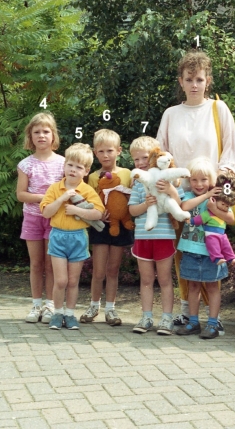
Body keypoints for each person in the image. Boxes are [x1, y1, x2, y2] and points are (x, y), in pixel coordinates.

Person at [157, 50, 235, 330]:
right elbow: (162, 151)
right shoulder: (171, 114)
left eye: (200, 79)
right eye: (189, 79)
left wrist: (221, 188)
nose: (195, 84)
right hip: (181, 196)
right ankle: (187, 311)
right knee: (184, 252)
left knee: (211, 250)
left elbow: (231, 150)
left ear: (208, 81)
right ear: (180, 81)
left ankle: (213, 318)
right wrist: (170, 182)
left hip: (212, 195)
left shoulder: (218, 110)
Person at [40, 143, 105, 330]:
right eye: (70, 165)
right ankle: (57, 312)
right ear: (64, 165)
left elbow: (99, 213)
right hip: (58, 237)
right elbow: (45, 212)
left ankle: (69, 314)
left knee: (73, 281)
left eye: (78, 167)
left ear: (86, 171)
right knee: (61, 280)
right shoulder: (54, 188)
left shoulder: (87, 190)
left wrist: (77, 210)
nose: (73, 170)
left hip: (78, 237)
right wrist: (61, 199)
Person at [80, 129, 133, 326]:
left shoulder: (127, 174)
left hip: (122, 227)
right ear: (95, 153)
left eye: (110, 150)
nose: (105, 155)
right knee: (98, 270)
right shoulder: (93, 177)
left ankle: (110, 309)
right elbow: (92, 200)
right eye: (101, 151)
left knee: (113, 269)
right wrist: (99, 212)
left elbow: (130, 197)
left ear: (119, 151)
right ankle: (94, 306)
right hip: (101, 227)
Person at [128, 136, 181, 335]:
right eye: (136, 160)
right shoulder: (138, 184)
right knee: (146, 279)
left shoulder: (166, 181)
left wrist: (170, 190)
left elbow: (180, 204)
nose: (141, 163)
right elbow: (132, 210)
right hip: (142, 238)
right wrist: (145, 205)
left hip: (164, 237)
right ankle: (146, 317)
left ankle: (166, 318)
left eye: (145, 158)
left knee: (166, 279)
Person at [175, 158, 232, 339]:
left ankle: (213, 323)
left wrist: (214, 207)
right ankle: (193, 322)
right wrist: (206, 197)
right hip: (191, 249)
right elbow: (184, 207)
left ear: (212, 180)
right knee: (193, 286)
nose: (199, 184)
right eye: (194, 180)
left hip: (212, 253)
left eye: (204, 180)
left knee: (213, 287)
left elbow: (230, 218)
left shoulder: (219, 197)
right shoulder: (189, 196)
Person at [16, 113, 65, 324]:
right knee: (36, 264)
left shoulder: (64, 163)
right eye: (37, 132)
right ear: (31, 136)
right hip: (33, 219)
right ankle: (36, 304)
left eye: (46, 131)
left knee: (51, 264)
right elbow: (21, 194)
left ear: (53, 135)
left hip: (55, 220)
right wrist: (44, 198)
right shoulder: (26, 164)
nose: (41, 136)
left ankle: (51, 305)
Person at [190, 171, 235, 266]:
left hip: (222, 235)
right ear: (215, 199)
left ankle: (231, 258)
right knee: (213, 245)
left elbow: (231, 219)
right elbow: (200, 219)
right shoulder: (208, 213)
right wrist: (191, 221)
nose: (225, 207)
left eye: (227, 206)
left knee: (226, 245)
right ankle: (217, 258)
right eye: (223, 204)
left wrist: (214, 208)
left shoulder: (224, 204)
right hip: (211, 235)